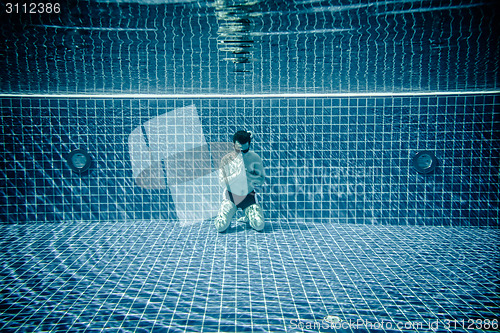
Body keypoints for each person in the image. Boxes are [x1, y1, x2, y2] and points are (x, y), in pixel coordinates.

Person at [214, 130, 266, 232]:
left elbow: (261, 180)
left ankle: (248, 215)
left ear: (249, 145)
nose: (241, 154)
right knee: (220, 227)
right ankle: (226, 215)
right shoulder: (226, 159)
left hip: (248, 196)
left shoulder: (254, 158)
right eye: (238, 150)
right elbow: (221, 183)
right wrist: (237, 175)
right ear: (234, 145)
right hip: (231, 196)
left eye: (244, 151)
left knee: (259, 225)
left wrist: (248, 175)